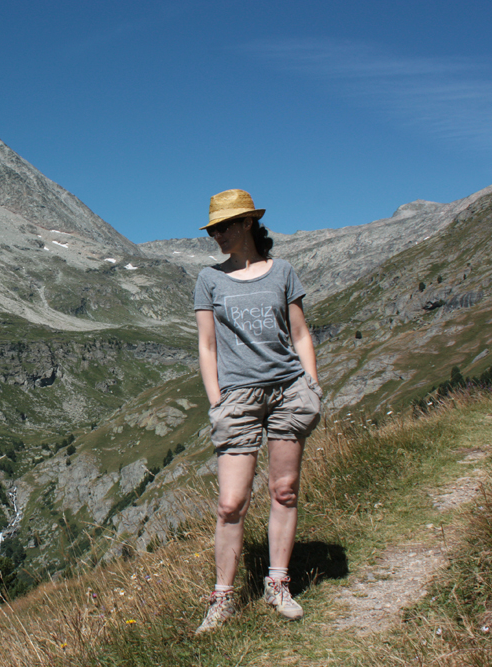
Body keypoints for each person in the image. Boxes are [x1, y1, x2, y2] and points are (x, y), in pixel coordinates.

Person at [192, 189, 322, 634]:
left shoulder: (283, 272)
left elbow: (300, 332)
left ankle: (278, 584)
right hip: (238, 399)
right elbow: (207, 345)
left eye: (225, 226)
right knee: (231, 503)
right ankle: (223, 597)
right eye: (213, 229)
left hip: (288, 391)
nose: (218, 235)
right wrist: (217, 400)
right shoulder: (209, 279)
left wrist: (312, 383)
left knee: (284, 491)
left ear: (248, 223)